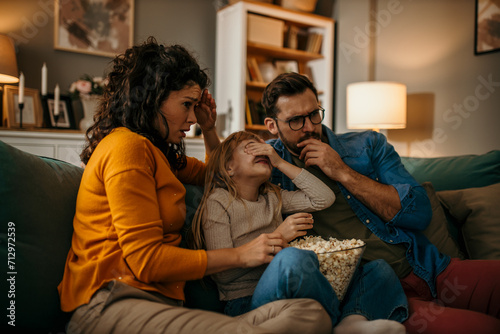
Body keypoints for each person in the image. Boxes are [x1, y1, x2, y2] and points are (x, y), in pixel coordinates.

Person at [57, 38, 333, 334]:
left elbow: (219, 175)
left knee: (312, 314)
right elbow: (147, 262)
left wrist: (210, 128)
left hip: (162, 306)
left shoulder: (159, 154)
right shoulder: (128, 148)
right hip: (112, 301)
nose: (192, 118)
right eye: (186, 105)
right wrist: (243, 254)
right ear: (152, 99)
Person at [261, 72, 500, 334]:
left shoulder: (368, 145)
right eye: (296, 120)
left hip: (431, 267)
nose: (309, 127)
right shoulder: (269, 166)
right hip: (378, 293)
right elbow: (223, 178)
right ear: (272, 125)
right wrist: (211, 129)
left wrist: (341, 171)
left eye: (314, 114)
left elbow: (419, 212)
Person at [190, 130, 408, 333]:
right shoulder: (218, 202)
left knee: (378, 268)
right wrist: (279, 238)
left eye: (263, 148)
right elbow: (222, 273)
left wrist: (280, 162)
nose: (262, 151)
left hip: (294, 296)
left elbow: (323, 198)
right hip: (248, 303)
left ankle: (351, 321)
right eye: (249, 148)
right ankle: (336, 320)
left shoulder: (273, 196)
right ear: (229, 167)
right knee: (292, 257)